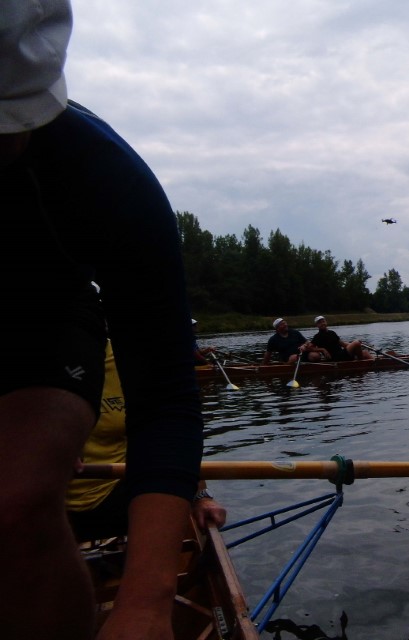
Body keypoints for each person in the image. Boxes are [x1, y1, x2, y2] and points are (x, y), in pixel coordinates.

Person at [0, 3, 203, 637]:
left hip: (36, 303)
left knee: (16, 502)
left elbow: (165, 395)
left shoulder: (107, 181)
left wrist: (145, 602)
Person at [67, 340, 226, 541]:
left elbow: (172, 435)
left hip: (115, 491)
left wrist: (201, 496)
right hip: (46, 500)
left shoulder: (131, 359)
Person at [307, 315, 373, 361]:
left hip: (342, 354)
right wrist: (322, 350)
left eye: (323, 321)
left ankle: (374, 364)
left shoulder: (332, 333)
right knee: (356, 343)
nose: (322, 323)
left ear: (326, 322)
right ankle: (360, 362)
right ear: (317, 325)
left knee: (365, 352)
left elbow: (343, 344)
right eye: (319, 323)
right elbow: (309, 348)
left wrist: (356, 345)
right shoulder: (317, 336)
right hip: (334, 358)